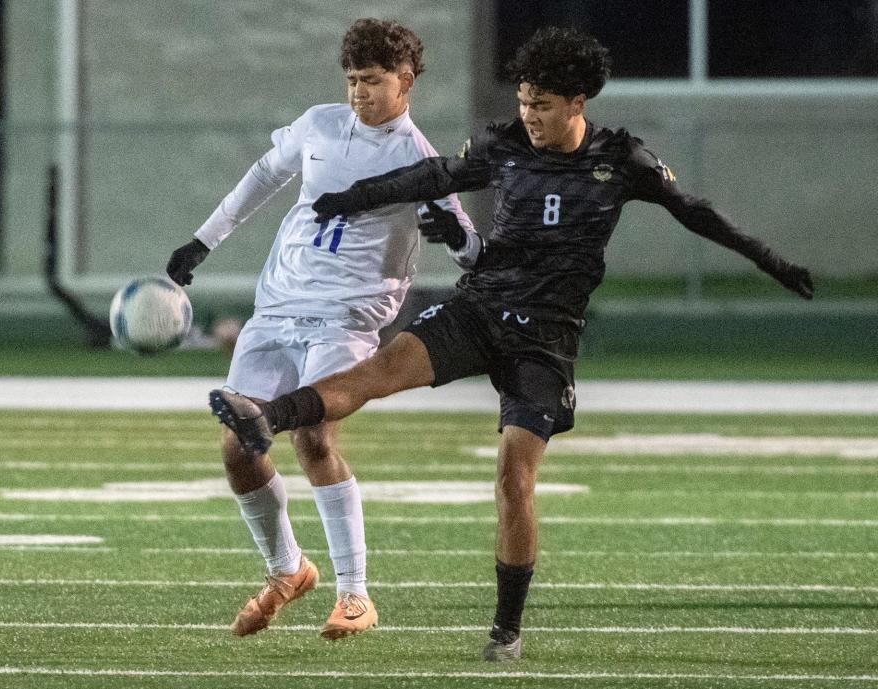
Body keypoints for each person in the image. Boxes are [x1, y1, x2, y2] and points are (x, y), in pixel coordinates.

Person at [207, 26, 813, 660]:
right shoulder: (503, 145)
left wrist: (770, 260)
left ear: (578, 102)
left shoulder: (622, 161)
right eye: (523, 101)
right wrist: (352, 197)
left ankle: (506, 628)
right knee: (373, 374)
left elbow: (695, 211)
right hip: (479, 311)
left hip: (545, 340)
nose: (529, 116)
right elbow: (433, 173)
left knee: (513, 477)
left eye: (542, 105)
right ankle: (264, 417)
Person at [166, 18, 475, 641]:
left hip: (347, 316)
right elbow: (262, 176)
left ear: (406, 81)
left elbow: (476, 252)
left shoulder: (420, 160)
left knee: (312, 436)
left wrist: (460, 239)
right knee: (238, 448)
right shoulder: (320, 123)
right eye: (352, 80)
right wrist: (204, 241)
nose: (359, 92)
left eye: (372, 81)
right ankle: (287, 570)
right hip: (277, 307)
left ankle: (356, 594)